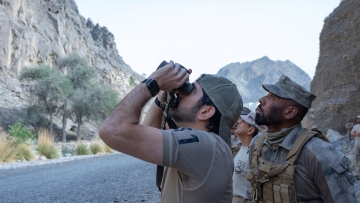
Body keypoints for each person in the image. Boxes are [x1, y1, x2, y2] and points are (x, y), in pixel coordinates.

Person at [99, 60, 243, 203]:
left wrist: (154, 82)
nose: (180, 91)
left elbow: (111, 129)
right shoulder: (211, 147)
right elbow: (147, 131)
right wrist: (161, 96)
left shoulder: (206, 146)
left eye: (190, 90)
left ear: (206, 111)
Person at [247, 74, 356, 203]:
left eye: (272, 97)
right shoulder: (257, 144)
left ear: (290, 112)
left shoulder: (319, 153)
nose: (261, 99)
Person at [232, 112, 259, 203]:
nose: (238, 122)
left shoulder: (254, 154)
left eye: (243, 121)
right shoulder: (240, 149)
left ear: (250, 130)